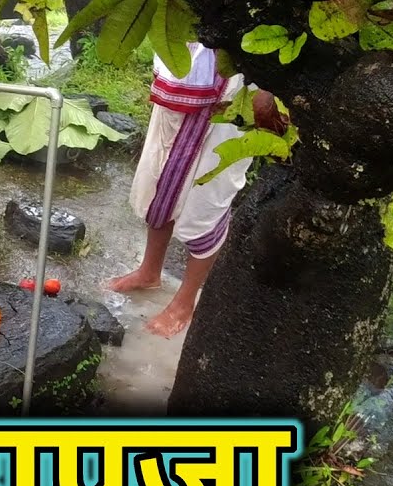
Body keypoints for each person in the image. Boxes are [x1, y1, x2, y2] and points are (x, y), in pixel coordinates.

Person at [110, 44, 286, 337]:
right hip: (188, 65)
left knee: (208, 197)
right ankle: (149, 271)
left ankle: (185, 301)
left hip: (238, 88)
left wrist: (269, 88)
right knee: (160, 179)